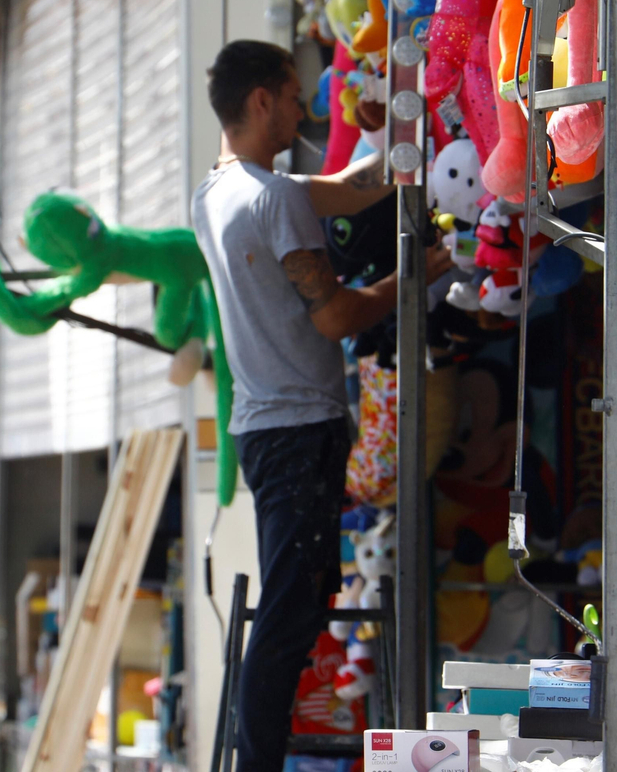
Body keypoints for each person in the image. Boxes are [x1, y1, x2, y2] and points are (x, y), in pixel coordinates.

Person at [191, 40, 450, 772]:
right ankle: (258, 765)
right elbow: (334, 317)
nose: (304, 107)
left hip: (273, 433)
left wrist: (408, 141)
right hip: (298, 430)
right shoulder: (271, 201)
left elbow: (347, 185)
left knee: (295, 603)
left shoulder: (219, 192)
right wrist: (411, 280)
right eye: (293, 93)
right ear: (263, 99)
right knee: (289, 613)